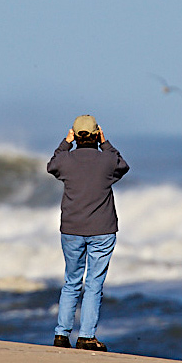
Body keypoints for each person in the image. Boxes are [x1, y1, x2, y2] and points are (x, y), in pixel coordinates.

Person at [46, 115, 129, 351]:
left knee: (71, 282)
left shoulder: (66, 160)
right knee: (93, 284)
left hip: (72, 229)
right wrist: (106, 143)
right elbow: (123, 165)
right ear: (96, 134)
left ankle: (61, 335)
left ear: (74, 135)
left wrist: (65, 142)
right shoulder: (107, 161)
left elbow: (51, 165)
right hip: (102, 229)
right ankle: (86, 337)